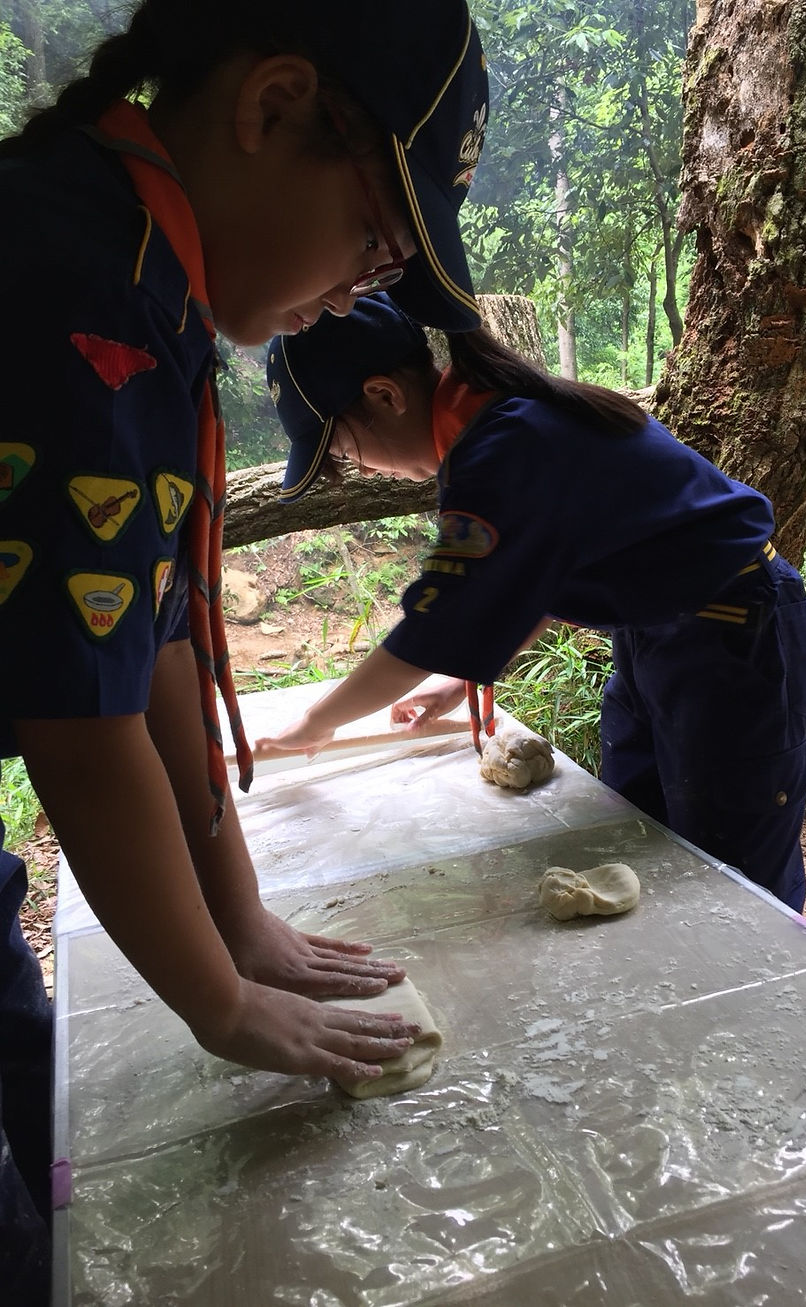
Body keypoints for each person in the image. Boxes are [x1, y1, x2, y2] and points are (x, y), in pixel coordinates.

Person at [0, 2, 488, 1298]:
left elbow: (149, 630)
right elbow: (78, 723)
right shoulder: (69, 276)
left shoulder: (151, 273)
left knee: (40, 1121)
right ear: (270, 108)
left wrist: (242, 917)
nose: (357, 296)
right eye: (379, 251)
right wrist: (220, 998)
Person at [258, 295, 806, 910]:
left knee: (735, 879)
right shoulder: (499, 423)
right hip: (658, 637)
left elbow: (433, 623)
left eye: (344, 451)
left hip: (734, 639)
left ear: (385, 395)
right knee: (644, 837)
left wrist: (318, 722)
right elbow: (536, 577)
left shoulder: (505, 444)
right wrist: (456, 679)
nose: (363, 469)